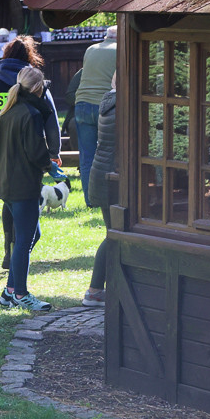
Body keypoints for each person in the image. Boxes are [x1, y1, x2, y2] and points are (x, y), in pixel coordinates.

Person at [0, 36, 64, 269]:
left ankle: (10, 247)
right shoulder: (38, 85)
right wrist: (54, 152)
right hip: (30, 154)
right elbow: (52, 121)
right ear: (30, 58)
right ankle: (19, 256)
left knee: (9, 202)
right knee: (27, 208)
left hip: (0, 153)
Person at [0, 67, 55, 312]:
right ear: (39, 89)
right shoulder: (31, 113)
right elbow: (36, 151)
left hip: (6, 184)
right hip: (23, 186)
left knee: (29, 237)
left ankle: (9, 291)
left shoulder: (7, 111)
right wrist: (50, 165)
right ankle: (21, 293)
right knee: (24, 240)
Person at [83, 73, 117, 306]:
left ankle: (100, 289)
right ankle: (95, 290)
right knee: (114, 236)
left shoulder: (109, 102)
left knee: (113, 234)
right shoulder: (124, 107)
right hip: (112, 178)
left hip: (103, 175)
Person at [76, 26, 118, 206]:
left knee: (87, 157)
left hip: (82, 104)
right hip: (106, 106)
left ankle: (90, 200)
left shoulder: (91, 49)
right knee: (109, 156)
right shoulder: (121, 50)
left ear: (106, 36)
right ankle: (109, 198)